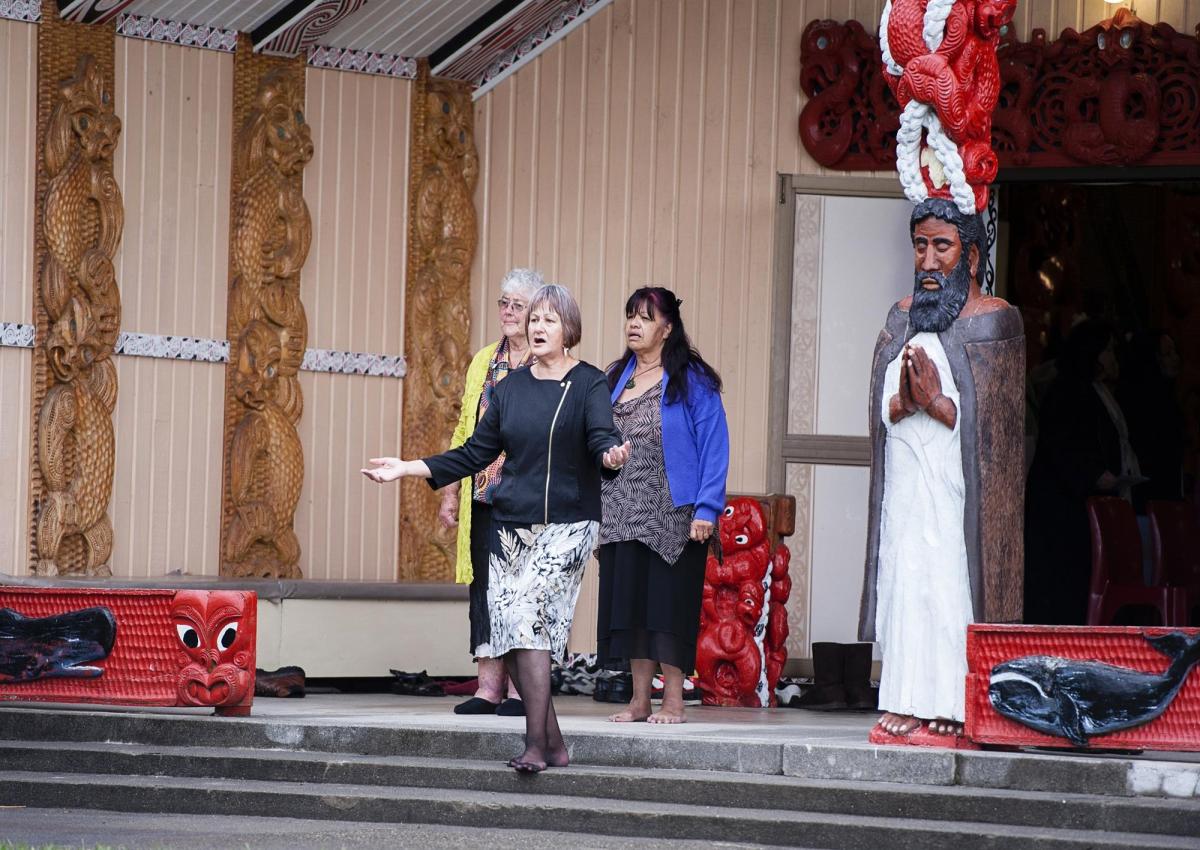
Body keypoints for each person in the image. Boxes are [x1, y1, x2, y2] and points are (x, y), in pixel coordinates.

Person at [363, 284, 631, 772]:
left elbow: (601, 437)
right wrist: (407, 468)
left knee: (528, 621)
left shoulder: (589, 382)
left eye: (549, 320)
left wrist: (611, 455)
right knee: (509, 631)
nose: (538, 327)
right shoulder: (509, 390)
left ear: (569, 329)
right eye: (534, 320)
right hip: (511, 524)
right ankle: (555, 745)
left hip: (569, 522)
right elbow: (473, 453)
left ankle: (535, 745)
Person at [859, 198, 1025, 740]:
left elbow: (998, 429)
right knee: (906, 585)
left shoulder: (994, 320)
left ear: (971, 257)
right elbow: (881, 408)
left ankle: (955, 704)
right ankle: (905, 698)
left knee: (949, 589)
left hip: (959, 499)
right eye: (920, 246)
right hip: (907, 490)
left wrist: (936, 403)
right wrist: (904, 402)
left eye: (942, 247)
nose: (928, 261)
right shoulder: (899, 318)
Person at [596, 287, 728, 724]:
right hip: (621, 510)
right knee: (632, 608)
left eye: (645, 317)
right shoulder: (616, 375)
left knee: (668, 609)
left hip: (673, 514)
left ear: (667, 328)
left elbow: (714, 445)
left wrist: (707, 508)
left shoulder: (693, 379)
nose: (634, 324)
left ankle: (673, 700)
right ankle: (639, 700)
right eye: (630, 315)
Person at [437, 268, 543, 717]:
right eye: (504, 302)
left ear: (538, 312)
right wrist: (450, 493)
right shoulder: (483, 359)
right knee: (484, 589)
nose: (509, 312)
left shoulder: (549, 361)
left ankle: (522, 692)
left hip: (531, 500)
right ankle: (488, 688)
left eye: (519, 305)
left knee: (523, 592)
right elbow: (465, 428)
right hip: (483, 496)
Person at [1025, 319, 1141, 625]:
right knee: (1063, 587)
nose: (1113, 358)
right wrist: (1094, 475)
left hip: (1080, 506)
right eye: (1108, 350)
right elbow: (1064, 444)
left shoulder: (1095, 390)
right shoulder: (1068, 390)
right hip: (1061, 510)